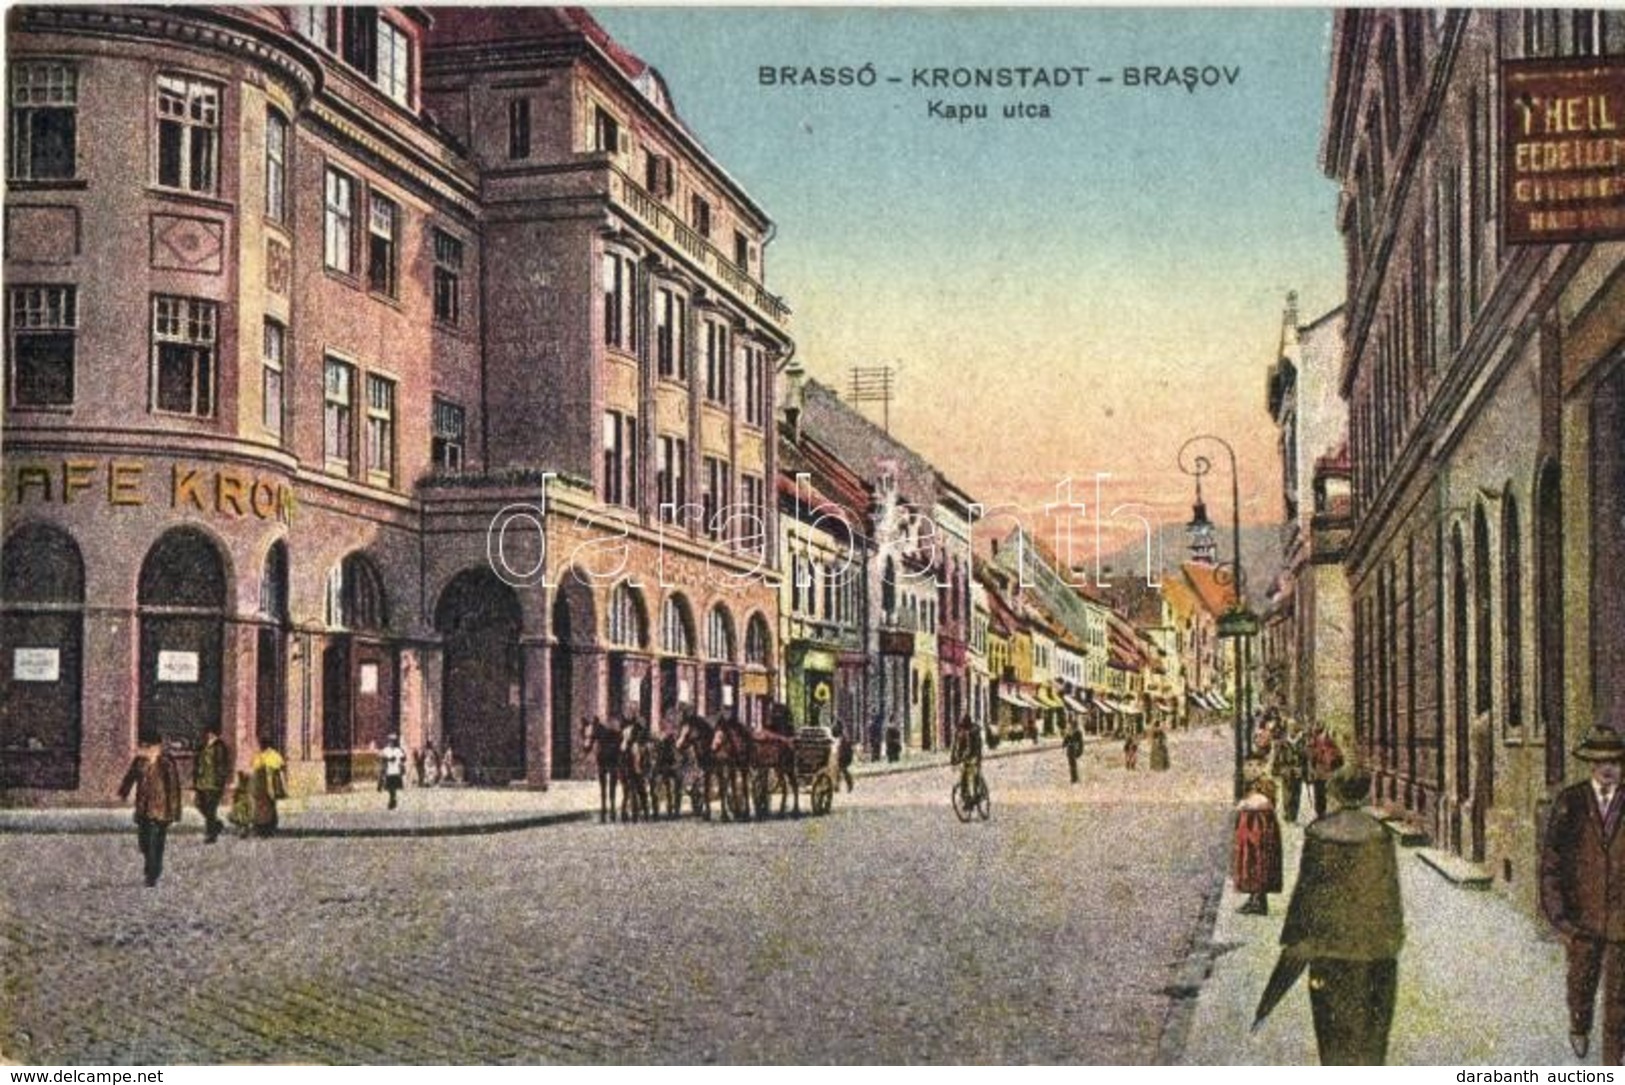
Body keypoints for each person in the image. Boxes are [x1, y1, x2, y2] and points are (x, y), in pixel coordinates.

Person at [1258, 769, 1404, 1064]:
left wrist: (1294, 939)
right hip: (1375, 954)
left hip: (1329, 954)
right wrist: (1393, 941)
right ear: (1364, 794)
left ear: (1335, 793)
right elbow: (1391, 895)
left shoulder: (1319, 832)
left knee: (1332, 1038)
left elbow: (1305, 893)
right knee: (1372, 1044)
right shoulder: (1381, 834)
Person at [1540, 724, 1625, 1063]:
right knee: (1581, 982)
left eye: (1615, 762)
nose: (1609, 769)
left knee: (1620, 998)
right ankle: (1579, 1025)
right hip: (1582, 915)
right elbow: (1552, 862)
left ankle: (1613, 1063)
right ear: (1590, 764)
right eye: (1602, 762)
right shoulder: (1571, 802)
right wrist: (1559, 915)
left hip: (1621, 916)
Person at [117, 732, 182, 887]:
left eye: (147, 746)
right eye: (143, 745)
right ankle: (151, 866)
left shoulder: (166, 762)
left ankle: (153, 873)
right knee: (144, 842)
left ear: (157, 747)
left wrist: (175, 811)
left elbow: (173, 788)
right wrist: (123, 792)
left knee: (156, 843)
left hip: (161, 809)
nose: (144, 749)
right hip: (143, 808)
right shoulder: (139, 762)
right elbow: (130, 777)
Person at [1232, 776, 1282, 915]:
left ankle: (1258, 901)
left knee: (1258, 862)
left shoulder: (1263, 787)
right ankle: (1256, 899)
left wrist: (1245, 804)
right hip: (1252, 830)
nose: (1252, 769)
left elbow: (1265, 803)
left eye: (1257, 764)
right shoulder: (1251, 785)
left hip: (1257, 830)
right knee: (1253, 864)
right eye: (1249, 764)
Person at [192, 724, 232, 844]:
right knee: (199, 804)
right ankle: (216, 824)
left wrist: (221, 781)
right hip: (202, 782)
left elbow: (223, 765)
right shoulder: (202, 746)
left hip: (214, 783)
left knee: (211, 809)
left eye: (210, 733)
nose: (208, 735)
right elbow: (197, 762)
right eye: (207, 732)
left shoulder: (220, 747)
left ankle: (211, 834)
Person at [249, 736, 287, 837]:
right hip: (266, 787)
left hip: (265, 787)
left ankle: (265, 828)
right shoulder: (271, 755)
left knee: (264, 808)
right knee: (267, 808)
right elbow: (281, 766)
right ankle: (265, 828)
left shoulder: (265, 756)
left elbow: (255, 768)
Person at [1307, 726, 1345, 819]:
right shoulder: (1317, 745)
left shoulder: (1333, 747)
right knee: (1320, 794)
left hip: (1327, 775)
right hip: (1320, 774)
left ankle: (1324, 813)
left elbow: (1340, 761)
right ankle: (1321, 813)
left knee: (1325, 794)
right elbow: (1312, 759)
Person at [1271, 724, 1305, 823]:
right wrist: (1278, 770)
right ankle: (1288, 814)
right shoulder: (1282, 743)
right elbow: (1277, 759)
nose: (1292, 731)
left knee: (1297, 794)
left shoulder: (1301, 742)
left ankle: (1294, 815)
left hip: (1298, 771)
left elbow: (1305, 757)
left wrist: (1303, 769)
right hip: (1287, 771)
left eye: (1294, 729)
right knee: (1287, 794)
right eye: (1290, 729)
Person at [950, 715, 982, 804]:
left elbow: (972, 748)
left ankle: (977, 793)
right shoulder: (959, 732)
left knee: (973, 773)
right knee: (964, 776)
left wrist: (965, 757)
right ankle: (967, 799)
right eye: (961, 728)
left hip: (975, 753)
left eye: (964, 728)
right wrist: (952, 759)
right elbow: (955, 746)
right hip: (965, 753)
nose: (962, 731)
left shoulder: (973, 732)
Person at [378, 733, 407, 809]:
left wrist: (401, 760)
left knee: (394, 787)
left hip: (396, 771)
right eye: (390, 741)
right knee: (390, 787)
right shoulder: (386, 750)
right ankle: (392, 799)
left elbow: (404, 758)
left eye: (393, 741)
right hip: (389, 771)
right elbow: (381, 758)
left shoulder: (398, 750)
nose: (392, 743)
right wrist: (388, 759)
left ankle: (392, 800)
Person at [1063, 719, 1084, 784]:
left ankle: (1076, 779)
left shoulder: (1078, 732)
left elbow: (1080, 743)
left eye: (1074, 724)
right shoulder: (1070, 732)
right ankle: (1073, 778)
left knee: (1075, 765)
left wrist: (1080, 751)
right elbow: (1066, 740)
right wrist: (1064, 744)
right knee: (1072, 765)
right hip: (1070, 750)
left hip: (1075, 749)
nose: (1072, 726)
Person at [836, 725, 855, 793]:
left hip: (845, 756)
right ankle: (837, 786)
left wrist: (840, 756)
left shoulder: (844, 737)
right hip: (844, 756)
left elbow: (844, 749)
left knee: (842, 769)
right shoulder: (843, 736)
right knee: (839, 770)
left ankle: (849, 785)